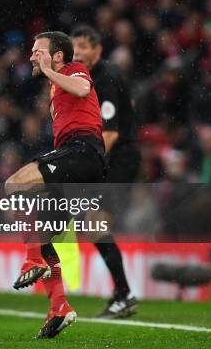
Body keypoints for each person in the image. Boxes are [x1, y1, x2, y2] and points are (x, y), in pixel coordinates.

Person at [5, 31, 105, 338]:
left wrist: (49, 71)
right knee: (42, 233)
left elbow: (83, 87)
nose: (33, 56)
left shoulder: (75, 69)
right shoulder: (54, 88)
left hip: (83, 152)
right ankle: (59, 306)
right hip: (76, 161)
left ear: (58, 54)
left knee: (13, 185)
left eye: (39, 51)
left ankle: (32, 260)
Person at [72, 25, 139, 318]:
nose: (79, 54)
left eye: (85, 47)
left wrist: (86, 166)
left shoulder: (106, 79)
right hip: (110, 159)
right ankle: (123, 294)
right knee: (92, 227)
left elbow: (109, 135)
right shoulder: (89, 77)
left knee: (95, 225)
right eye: (75, 49)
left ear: (98, 49)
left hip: (118, 158)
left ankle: (124, 294)